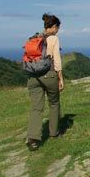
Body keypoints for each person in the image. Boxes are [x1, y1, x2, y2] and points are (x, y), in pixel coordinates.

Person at [26, 13, 64, 151]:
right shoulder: (54, 38)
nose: (58, 30)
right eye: (58, 27)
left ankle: (33, 139)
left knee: (36, 108)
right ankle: (54, 133)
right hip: (49, 75)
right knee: (54, 103)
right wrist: (61, 78)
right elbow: (57, 61)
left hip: (33, 76)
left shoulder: (35, 37)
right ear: (54, 27)